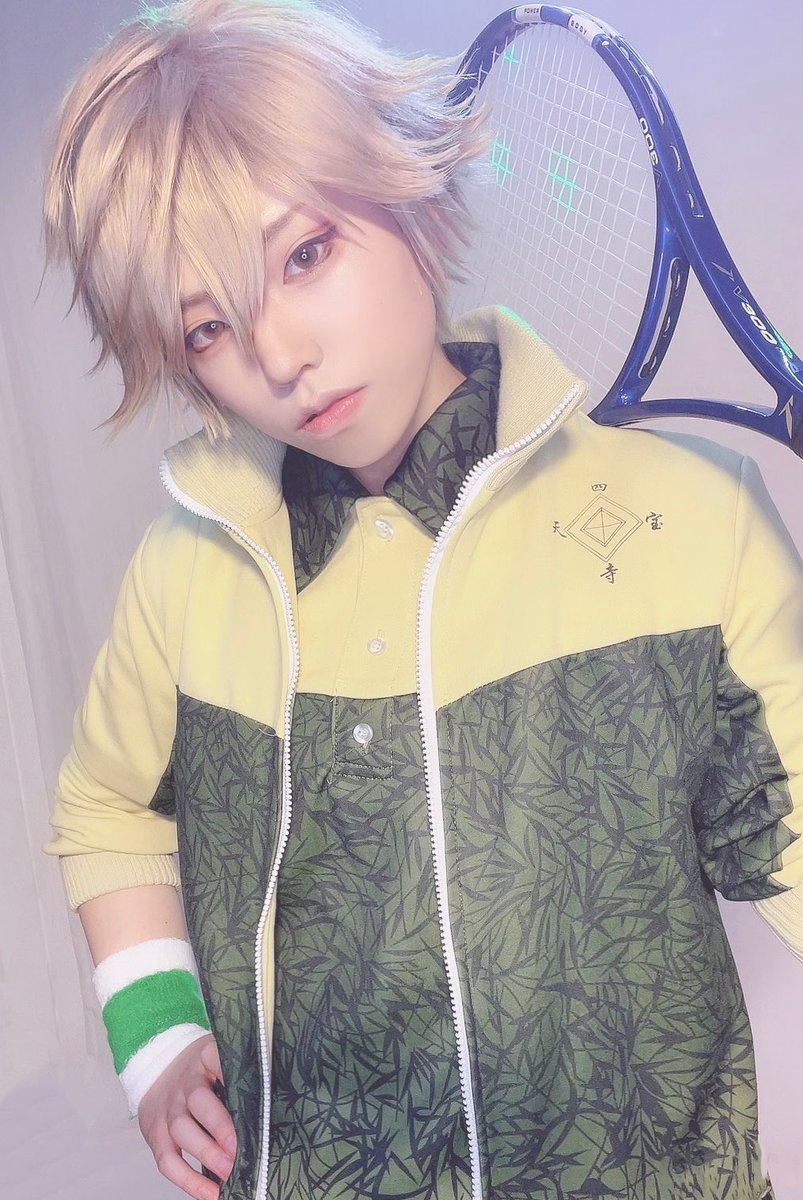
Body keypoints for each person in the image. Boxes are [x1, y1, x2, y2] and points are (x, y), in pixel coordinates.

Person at [40, 2, 803, 1199]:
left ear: (403, 184)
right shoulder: (184, 572)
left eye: (303, 255)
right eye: (209, 328)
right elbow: (106, 808)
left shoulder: (697, 519)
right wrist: (156, 1045)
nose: (277, 356)